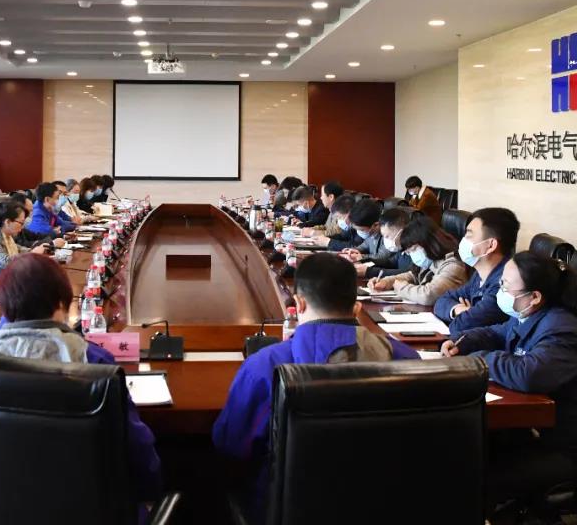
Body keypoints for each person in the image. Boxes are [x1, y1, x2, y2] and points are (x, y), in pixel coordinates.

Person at [213, 253, 419, 517]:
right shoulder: (406, 359)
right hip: (388, 506)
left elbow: (232, 445)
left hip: (289, 511)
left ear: (298, 303)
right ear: (357, 307)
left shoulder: (265, 366)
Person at [0, 254, 162, 503]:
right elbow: (136, 446)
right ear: (62, 304)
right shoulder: (93, 361)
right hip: (84, 505)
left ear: (5, 307)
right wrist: (152, 493)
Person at [441, 252, 577, 516]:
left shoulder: (562, 330)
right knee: (464, 454)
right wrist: (463, 343)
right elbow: (496, 332)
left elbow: (528, 374)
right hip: (541, 432)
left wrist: (478, 360)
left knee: (474, 479)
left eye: (505, 286)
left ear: (534, 296)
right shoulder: (531, 315)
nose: (500, 290)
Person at [434, 207, 520, 337]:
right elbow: (441, 301)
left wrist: (465, 315)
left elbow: (460, 326)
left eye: (469, 235)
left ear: (491, 245)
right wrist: (458, 310)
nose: (463, 240)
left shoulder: (505, 284)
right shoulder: (479, 276)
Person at [368, 216, 468, 305]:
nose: (412, 254)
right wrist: (387, 282)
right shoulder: (431, 260)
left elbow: (428, 295)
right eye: (409, 252)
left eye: (414, 249)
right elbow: (413, 276)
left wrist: (401, 288)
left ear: (428, 242)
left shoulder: (454, 265)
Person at [0, 200, 53, 290]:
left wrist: (35, 251)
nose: (22, 227)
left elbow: (17, 248)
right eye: (21, 223)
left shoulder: (3, 232)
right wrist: (32, 253)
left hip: (6, 283)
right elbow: (7, 262)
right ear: (8, 222)